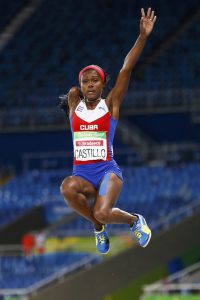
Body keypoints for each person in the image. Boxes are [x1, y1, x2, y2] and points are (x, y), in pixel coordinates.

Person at [60, 8, 157, 254]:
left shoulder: (110, 105)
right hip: (83, 176)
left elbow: (125, 69)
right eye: (86, 81)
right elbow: (71, 93)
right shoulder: (74, 104)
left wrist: (142, 37)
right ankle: (97, 228)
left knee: (103, 212)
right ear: (81, 86)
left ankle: (135, 220)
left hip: (106, 173)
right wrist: (74, 91)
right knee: (66, 188)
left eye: (95, 80)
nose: (90, 84)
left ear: (103, 84)